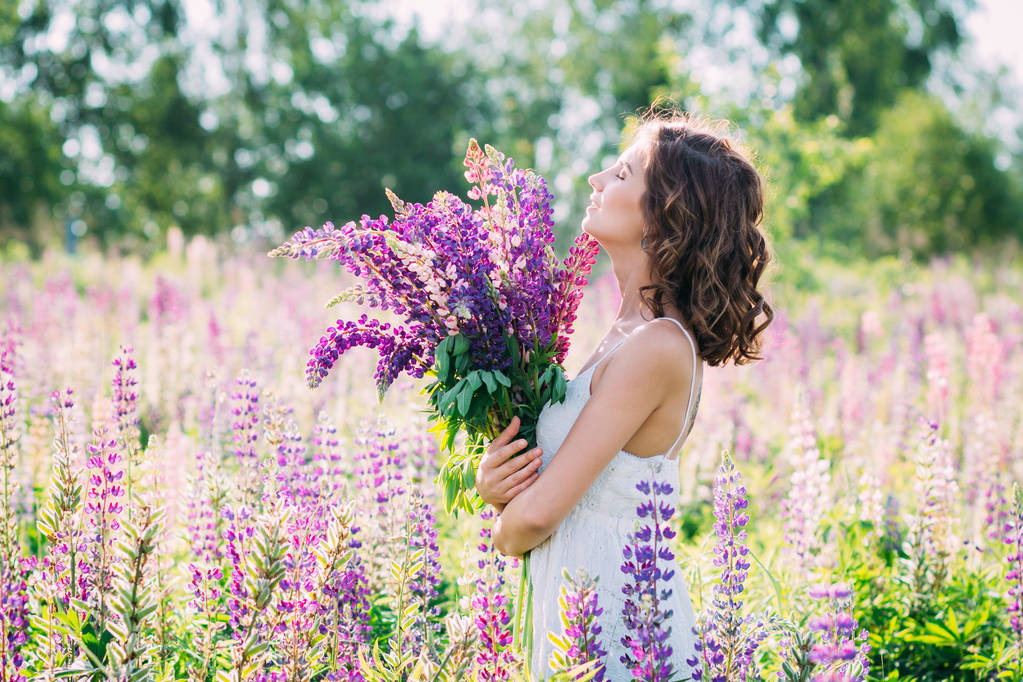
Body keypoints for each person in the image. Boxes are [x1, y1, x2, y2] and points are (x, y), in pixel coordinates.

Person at [474, 108, 774, 680]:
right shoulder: (625, 335)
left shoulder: (657, 346)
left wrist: (505, 524)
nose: (596, 180)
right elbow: (550, 493)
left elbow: (535, 520)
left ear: (664, 214)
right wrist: (497, 482)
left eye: (622, 173)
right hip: (583, 614)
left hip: (624, 631)